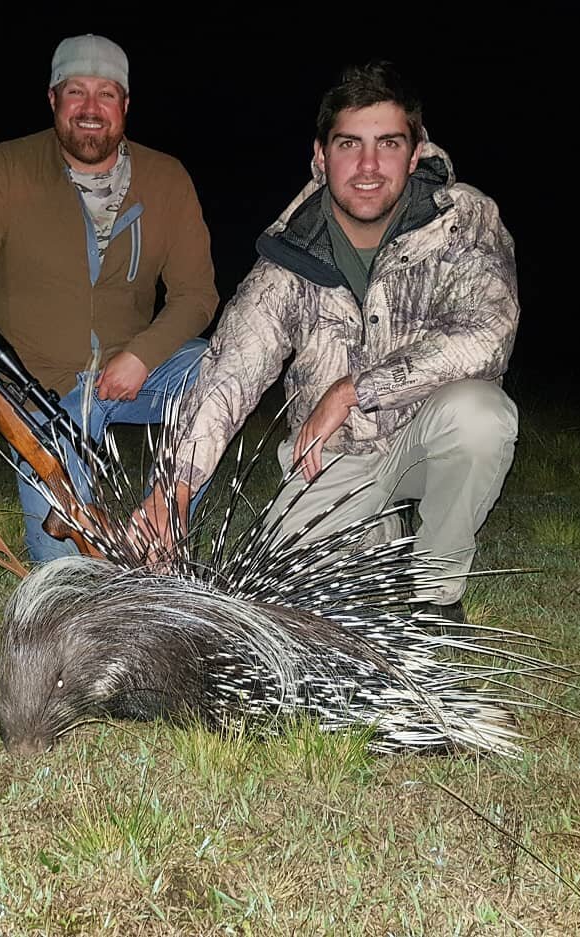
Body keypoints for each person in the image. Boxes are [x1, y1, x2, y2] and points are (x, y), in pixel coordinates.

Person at [142, 61, 519, 622]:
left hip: (428, 436)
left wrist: (352, 390)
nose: (368, 166)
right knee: (280, 593)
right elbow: (231, 370)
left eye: (388, 143)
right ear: (320, 156)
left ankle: (435, 590)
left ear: (415, 153)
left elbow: (489, 332)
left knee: (482, 416)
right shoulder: (291, 251)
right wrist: (170, 493)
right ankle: (379, 539)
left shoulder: (464, 219)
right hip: (333, 458)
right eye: (349, 144)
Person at [0, 34, 218, 561]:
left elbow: (197, 295)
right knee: (61, 574)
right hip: (36, 388)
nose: (91, 109)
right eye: (76, 92)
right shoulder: (5, 167)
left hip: (127, 376)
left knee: (216, 366)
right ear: (52, 99)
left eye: (106, 94)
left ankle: (164, 520)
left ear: (125, 105)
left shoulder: (168, 178)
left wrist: (143, 355)